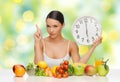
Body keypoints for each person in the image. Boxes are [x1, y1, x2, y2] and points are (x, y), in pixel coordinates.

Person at [34, 10, 102, 67]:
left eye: (55, 26)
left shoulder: (71, 45)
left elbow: (78, 65)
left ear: (63, 25)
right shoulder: (40, 42)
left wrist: (93, 47)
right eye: (48, 26)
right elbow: (38, 64)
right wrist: (37, 43)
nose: (51, 30)